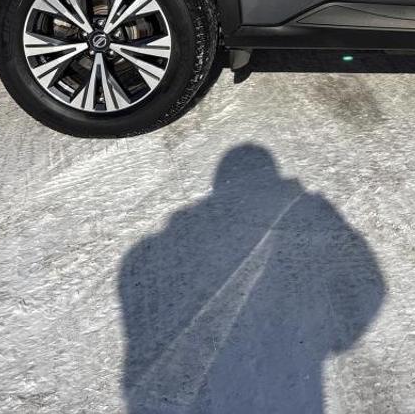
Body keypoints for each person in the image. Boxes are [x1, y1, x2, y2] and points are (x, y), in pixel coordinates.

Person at [119, 144, 385, 413]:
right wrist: (333, 340)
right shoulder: (308, 210)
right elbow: (370, 284)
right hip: (287, 388)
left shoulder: (170, 240)